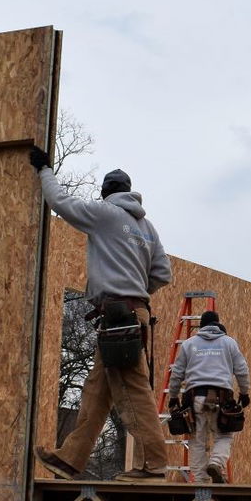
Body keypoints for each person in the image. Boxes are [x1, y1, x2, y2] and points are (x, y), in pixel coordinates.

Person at [29, 151, 173, 480]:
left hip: (117, 316)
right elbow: (163, 273)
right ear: (129, 191)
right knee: (97, 391)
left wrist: (44, 170)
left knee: (133, 390)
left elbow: (61, 202)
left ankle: (155, 465)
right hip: (130, 315)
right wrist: (136, 290)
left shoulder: (105, 214)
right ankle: (70, 459)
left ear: (106, 192)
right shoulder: (147, 228)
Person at [166, 310, 251, 485]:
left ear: (202, 326)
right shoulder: (229, 343)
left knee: (197, 440)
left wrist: (173, 396)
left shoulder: (189, 344)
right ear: (218, 324)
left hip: (195, 398)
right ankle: (216, 463)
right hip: (221, 399)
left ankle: (201, 481)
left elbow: (176, 374)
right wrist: (244, 393)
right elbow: (242, 370)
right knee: (224, 436)